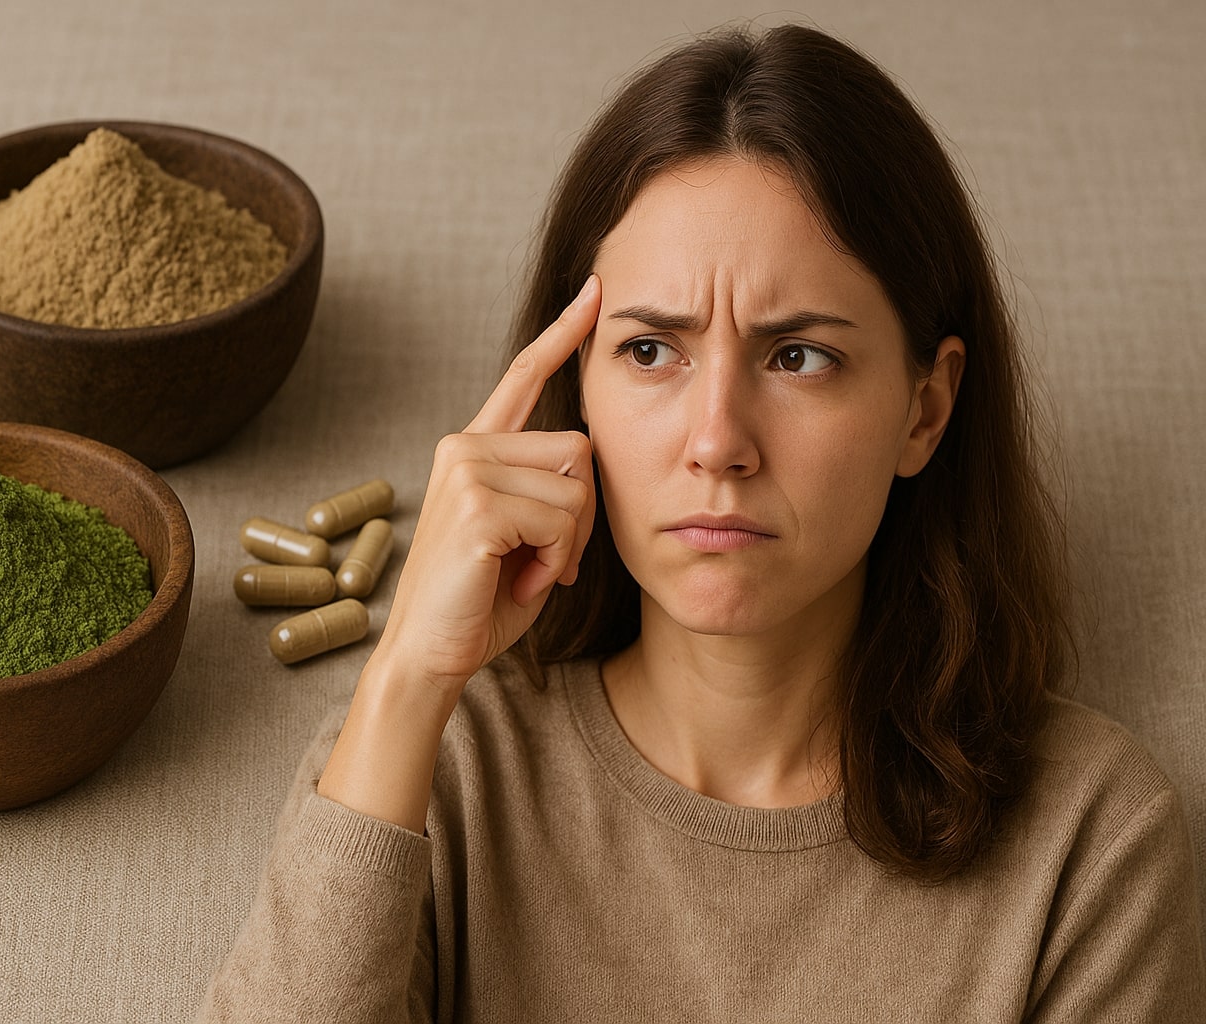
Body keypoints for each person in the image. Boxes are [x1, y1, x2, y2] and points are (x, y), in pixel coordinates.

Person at [197, 23, 1206, 1020]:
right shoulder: (429, 763)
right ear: (575, 389)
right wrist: (408, 678)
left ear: (925, 409)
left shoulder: (1092, 839)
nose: (717, 440)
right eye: (649, 352)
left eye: (797, 356)